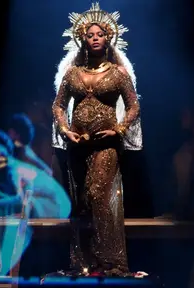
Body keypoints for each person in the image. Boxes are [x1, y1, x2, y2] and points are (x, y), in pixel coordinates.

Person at [51, 3, 143, 277]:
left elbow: (134, 105)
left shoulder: (118, 73)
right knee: (81, 200)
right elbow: (58, 105)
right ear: (82, 38)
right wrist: (66, 130)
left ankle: (110, 262)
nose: (94, 37)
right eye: (90, 34)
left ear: (108, 38)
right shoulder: (72, 73)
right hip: (77, 144)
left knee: (98, 195)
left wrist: (119, 129)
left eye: (99, 33)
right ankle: (85, 261)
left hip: (105, 145)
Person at [0, 139, 71, 276]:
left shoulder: (13, 170)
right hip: (44, 203)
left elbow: (22, 200)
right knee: (1, 210)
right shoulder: (10, 168)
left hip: (54, 206)